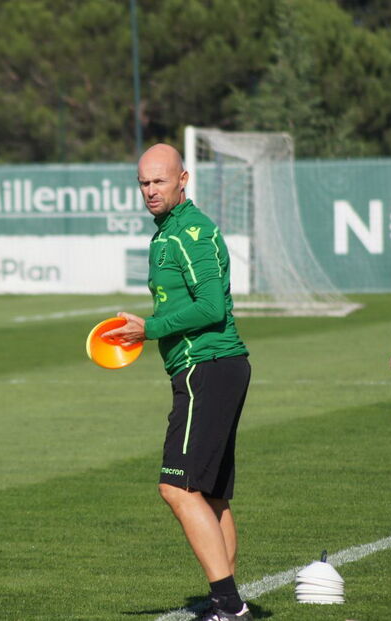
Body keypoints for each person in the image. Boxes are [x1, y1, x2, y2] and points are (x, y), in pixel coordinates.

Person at [104, 144, 252, 621]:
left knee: (177, 487)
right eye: (144, 183)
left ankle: (228, 603)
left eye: (159, 181)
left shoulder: (191, 232)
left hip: (205, 367)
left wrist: (149, 328)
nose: (150, 190)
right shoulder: (168, 232)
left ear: (183, 180)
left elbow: (212, 307)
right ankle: (228, 602)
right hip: (213, 368)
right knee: (212, 494)